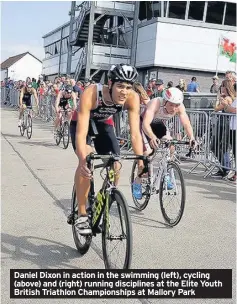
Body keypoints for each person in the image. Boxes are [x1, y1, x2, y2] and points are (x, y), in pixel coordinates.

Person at [72, 64, 144, 235]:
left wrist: (141, 160)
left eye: (128, 87)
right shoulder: (92, 92)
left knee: (116, 165)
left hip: (104, 124)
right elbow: (81, 134)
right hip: (82, 123)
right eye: (120, 86)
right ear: (110, 84)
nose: (124, 92)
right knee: (87, 162)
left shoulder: (132, 98)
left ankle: (102, 203)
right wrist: (83, 159)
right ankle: (82, 213)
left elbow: (135, 134)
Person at [141, 87, 196, 190]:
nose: (174, 108)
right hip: (144, 124)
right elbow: (145, 123)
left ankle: (167, 172)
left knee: (170, 143)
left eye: (176, 105)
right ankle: (137, 181)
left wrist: (192, 138)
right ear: (165, 101)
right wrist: (152, 136)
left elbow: (186, 123)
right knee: (147, 153)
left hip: (157, 124)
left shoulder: (180, 107)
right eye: (171, 104)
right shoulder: (156, 103)